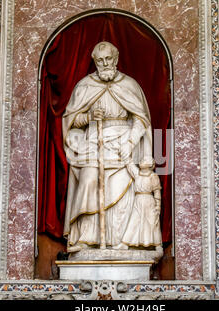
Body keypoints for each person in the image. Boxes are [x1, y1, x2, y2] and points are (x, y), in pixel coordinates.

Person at [62, 41, 153, 252]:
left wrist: (131, 141)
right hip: (94, 141)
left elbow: (141, 119)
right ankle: (86, 237)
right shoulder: (85, 86)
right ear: (94, 62)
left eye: (108, 59)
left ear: (116, 59)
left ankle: (120, 241)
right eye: (100, 60)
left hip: (125, 143)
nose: (105, 63)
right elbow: (70, 121)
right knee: (88, 180)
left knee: (123, 190)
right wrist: (88, 117)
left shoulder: (129, 85)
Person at [119, 157, 162, 250]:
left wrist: (158, 206)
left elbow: (157, 191)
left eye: (145, 160)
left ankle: (157, 245)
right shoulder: (137, 174)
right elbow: (129, 165)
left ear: (151, 164)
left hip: (149, 201)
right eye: (142, 159)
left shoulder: (153, 176)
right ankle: (125, 243)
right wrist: (125, 153)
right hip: (138, 200)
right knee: (134, 221)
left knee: (152, 222)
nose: (142, 160)